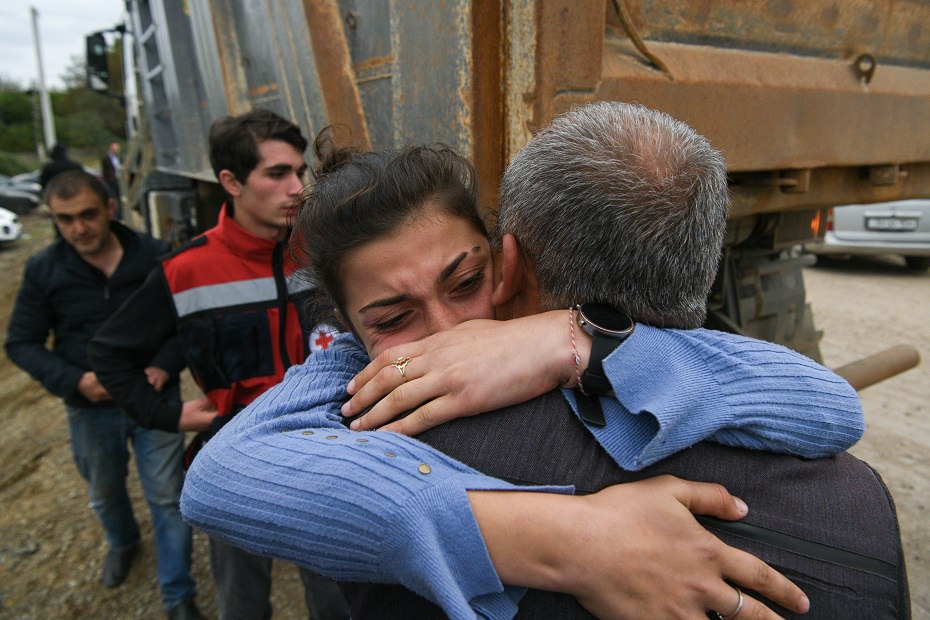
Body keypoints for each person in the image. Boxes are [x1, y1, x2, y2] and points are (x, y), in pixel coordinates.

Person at [181, 108, 869, 618]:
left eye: (463, 282)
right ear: (347, 327)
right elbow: (216, 479)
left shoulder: (567, 332)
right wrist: (573, 539)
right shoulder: (349, 376)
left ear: (504, 259)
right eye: (393, 319)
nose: (449, 332)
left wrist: (573, 342)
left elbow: (831, 406)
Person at [88, 109, 350, 620]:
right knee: (242, 603)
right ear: (230, 181)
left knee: (338, 602)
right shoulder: (186, 270)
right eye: (277, 174)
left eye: (300, 171)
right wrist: (168, 416)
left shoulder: (326, 254)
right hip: (236, 463)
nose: (298, 187)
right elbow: (111, 353)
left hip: (329, 461)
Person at [5, 170, 202, 619]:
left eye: (88, 214)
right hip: (90, 410)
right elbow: (21, 343)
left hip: (155, 403)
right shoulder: (44, 270)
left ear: (111, 208)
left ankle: (178, 595)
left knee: (169, 498)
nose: (79, 228)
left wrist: (163, 366)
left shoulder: (157, 258)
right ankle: (123, 542)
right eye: (65, 219)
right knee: (105, 491)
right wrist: (75, 381)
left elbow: (187, 322)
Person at [100, 142, 122, 217]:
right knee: (114, 197)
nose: (116, 151)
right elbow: (104, 171)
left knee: (120, 197)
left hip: (119, 180)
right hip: (111, 181)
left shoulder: (119, 158)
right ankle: (117, 214)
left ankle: (121, 213)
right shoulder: (106, 158)